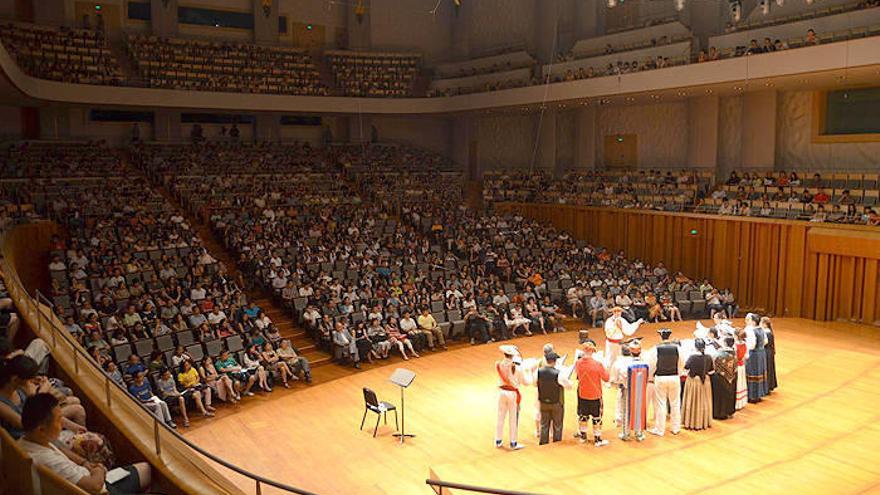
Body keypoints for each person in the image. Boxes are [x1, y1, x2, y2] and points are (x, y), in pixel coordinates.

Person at [19, 393, 153, 495]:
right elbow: (94, 487)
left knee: (145, 469)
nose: (62, 425)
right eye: (59, 420)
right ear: (41, 429)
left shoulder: (28, 440)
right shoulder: (49, 461)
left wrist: (84, 463)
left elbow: (60, 448)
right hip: (100, 488)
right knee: (147, 470)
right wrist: (99, 469)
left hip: (90, 477)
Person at [645, 328, 683, 437]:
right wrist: (678, 372)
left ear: (660, 336)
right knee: (675, 403)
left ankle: (659, 429)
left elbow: (652, 365)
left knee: (661, 403)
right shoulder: (677, 348)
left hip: (660, 377)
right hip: (674, 376)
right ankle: (676, 427)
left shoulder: (655, 349)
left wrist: (652, 376)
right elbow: (682, 362)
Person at [574, 341, 610, 447]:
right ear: (592, 351)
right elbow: (606, 378)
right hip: (595, 394)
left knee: (583, 416)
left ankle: (583, 436)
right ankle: (597, 439)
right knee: (597, 417)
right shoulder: (598, 364)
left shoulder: (578, 363)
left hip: (582, 393)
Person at [613, 340, 650, 441]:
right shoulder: (645, 363)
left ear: (630, 351)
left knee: (626, 411)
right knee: (639, 410)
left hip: (627, 390)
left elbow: (619, 378)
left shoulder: (624, 364)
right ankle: (639, 433)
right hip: (641, 389)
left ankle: (626, 433)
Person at [536, 351, 573, 445]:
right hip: (556, 402)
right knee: (557, 425)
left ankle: (543, 444)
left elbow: (534, 383)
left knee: (544, 425)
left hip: (543, 402)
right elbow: (569, 386)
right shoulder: (559, 374)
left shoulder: (539, 372)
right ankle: (556, 445)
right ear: (555, 361)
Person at [495, 345, 527, 450]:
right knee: (513, 418)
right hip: (512, 393)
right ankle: (513, 443)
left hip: (501, 392)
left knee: (500, 416)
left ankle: (498, 440)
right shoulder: (517, 367)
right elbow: (525, 381)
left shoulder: (499, 364)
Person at [682, 338, 714, 430]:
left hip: (694, 382)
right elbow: (711, 371)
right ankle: (703, 422)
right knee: (704, 402)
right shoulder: (708, 357)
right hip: (705, 382)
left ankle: (692, 422)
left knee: (693, 402)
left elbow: (685, 368)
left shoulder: (692, 357)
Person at [744, 313, 768, 403]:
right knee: (760, 372)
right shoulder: (761, 329)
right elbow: (765, 341)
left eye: (748, 320)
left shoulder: (751, 331)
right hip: (761, 353)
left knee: (752, 372)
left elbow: (752, 345)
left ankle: (752, 395)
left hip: (754, 355)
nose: (746, 321)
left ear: (753, 322)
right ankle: (759, 393)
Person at [711, 336, 737, 420]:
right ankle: (729, 411)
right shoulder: (734, 353)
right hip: (732, 377)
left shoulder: (719, 354)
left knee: (720, 395)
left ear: (725, 343)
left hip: (720, 377)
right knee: (730, 393)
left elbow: (713, 364)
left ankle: (720, 413)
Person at [760, 316, 778, 393]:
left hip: (767, 352)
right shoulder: (769, 331)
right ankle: (770, 385)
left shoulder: (766, 333)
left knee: (767, 369)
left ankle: (767, 387)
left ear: (764, 324)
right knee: (770, 369)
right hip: (770, 352)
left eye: (761, 322)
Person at [734, 328, 748, 410]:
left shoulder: (735, 345)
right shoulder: (745, 344)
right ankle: (742, 401)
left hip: (737, 366)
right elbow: (746, 356)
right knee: (742, 383)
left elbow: (735, 357)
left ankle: (737, 403)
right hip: (742, 365)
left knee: (738, 384)